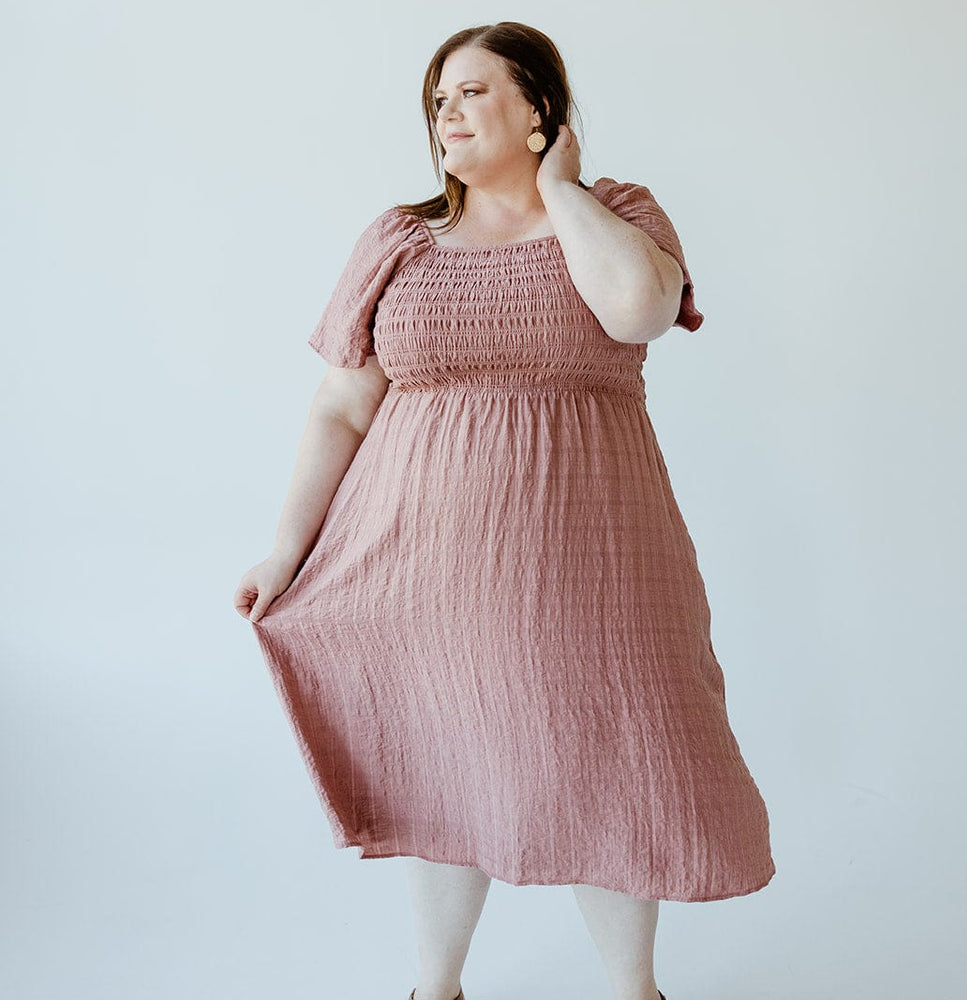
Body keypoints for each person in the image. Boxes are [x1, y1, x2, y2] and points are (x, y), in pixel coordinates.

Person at [233, 20, 775, 1000]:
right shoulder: (399, 239)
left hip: (596, 559)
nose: (447, 112)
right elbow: (343, 406)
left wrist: (562, 192)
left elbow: (637, 313)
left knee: (615, 755)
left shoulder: (617, 210)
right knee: (446, 764)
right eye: (437, 98)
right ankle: (433, 989)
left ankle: (632, 991)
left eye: (473, 91)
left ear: (539, 108)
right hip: (421, 565)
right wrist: (285, 551)